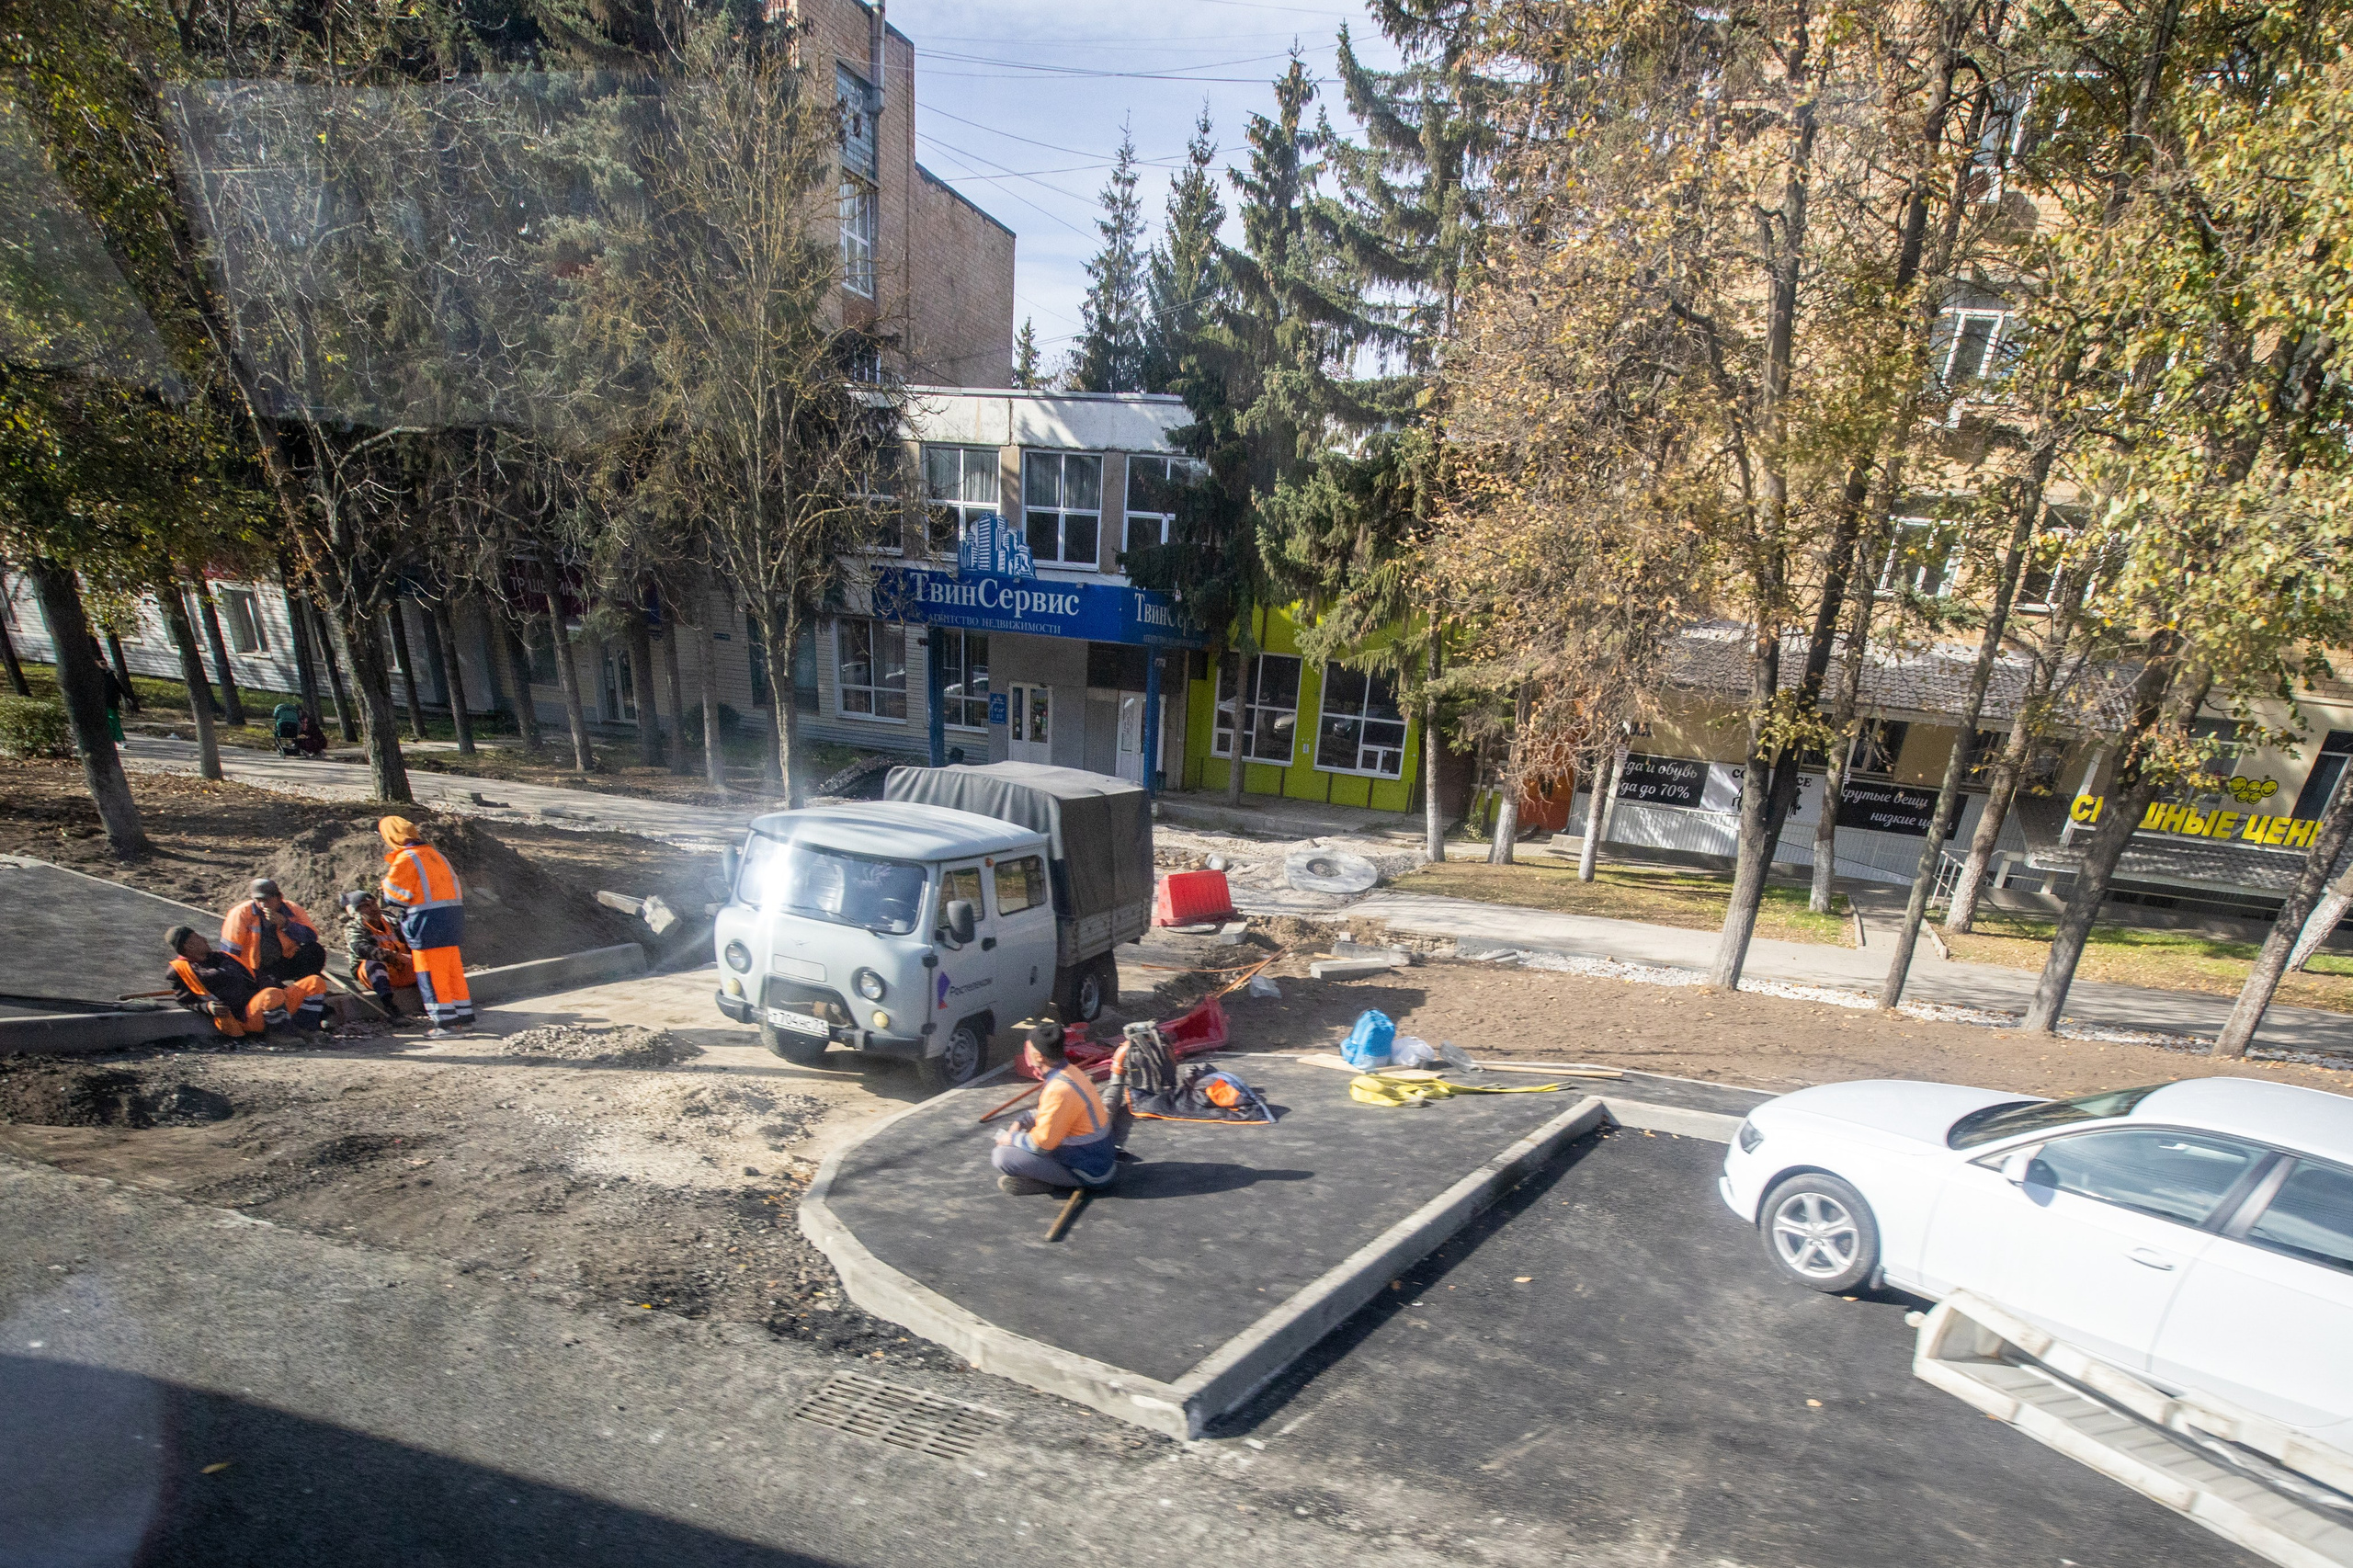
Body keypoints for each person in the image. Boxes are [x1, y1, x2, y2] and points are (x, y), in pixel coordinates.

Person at [991, 1021, 1118, 1195]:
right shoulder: (1071, 1072)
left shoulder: (1059, 1089)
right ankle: (1050, 1179)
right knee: (1025, 1140)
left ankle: (1056, 1184)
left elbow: (1040, 1146)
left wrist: (1012, 1138)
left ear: (1039, 1056)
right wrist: (1023, 1120)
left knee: (1002, 1157)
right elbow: (1054, 1114)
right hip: (1099, 1160)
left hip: (1091, 1172)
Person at [378, 816, 472, 1037]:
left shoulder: (406, 859)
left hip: (426, 924)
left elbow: (393, 897)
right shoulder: (435, 855)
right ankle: (464, 1018)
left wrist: (385, 882)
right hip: (451, 922)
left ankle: (446, 1024)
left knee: (432, 975)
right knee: (452, 973)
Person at [166, 926, 328, 1038]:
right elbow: (184, 1001)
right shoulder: (181, 970)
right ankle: (279, 1035)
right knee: (271, 995)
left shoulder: (223, 957)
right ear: (190, 946)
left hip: (269, 1003)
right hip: (246, 1015)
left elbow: (257, 975)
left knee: (314, 982)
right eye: (198, 937)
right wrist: (206, 1007)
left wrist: (282, 989)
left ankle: (304, 1028)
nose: (204, 939)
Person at [220, 878, 326, 985]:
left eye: (267, 900)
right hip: (255, 967)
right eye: (259, 900)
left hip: (283, 961)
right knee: (274, 992)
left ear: (279, 898)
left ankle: (304, 988)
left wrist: (286, 924)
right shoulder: (240, 914)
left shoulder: (293, 909)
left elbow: (311, 937)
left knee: (314, 951)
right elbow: (230, 952)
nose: (263, 905)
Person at [340, 890, 416, 1006]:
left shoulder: (392, 922)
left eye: (374, 904)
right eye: (366, 906)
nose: (374, 909)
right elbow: (360, 948)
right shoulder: (354, 927)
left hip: (403, 970)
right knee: (373, 963)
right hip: (378, 975)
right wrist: (396, 956)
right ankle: (390, 1007)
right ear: (357, 912)